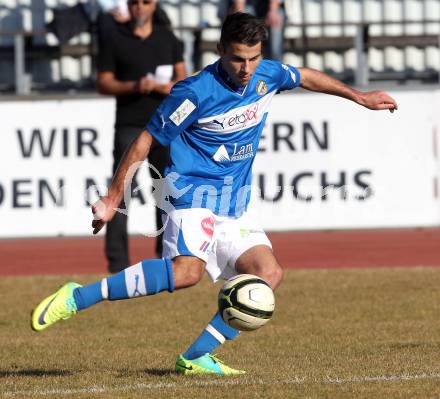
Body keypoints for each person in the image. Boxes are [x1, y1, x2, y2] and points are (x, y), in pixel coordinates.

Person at [31, 13, 397, 375]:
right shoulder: (194, 92)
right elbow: (144, 142)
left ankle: (195, 357)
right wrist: (112, 198)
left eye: (253, 58)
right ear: (221, 49)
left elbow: (305, 77)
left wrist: (359, 97)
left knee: (268, 274)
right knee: (187, 273)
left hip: (234, 205)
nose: (246, 68)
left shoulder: (266, 74)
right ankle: (77, 297)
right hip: (191, 196)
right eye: (238, 58)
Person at [96, 0, 186, 272]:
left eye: (145, 2)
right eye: (134, 3)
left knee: (166, 191)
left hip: (165, 125)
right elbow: (103, 82)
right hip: (130, 124)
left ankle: (167, 256)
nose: (139, 8)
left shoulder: (168, 39)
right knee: (120, 192)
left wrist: (164, 87)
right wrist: (134, 85)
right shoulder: (114, 38)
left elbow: (184, 82)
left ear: (153, 5)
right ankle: (117, 262)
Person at [219, 0, 286, 61]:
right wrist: (239, 10)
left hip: (266, 5)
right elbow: (239, 5)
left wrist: (273, 10)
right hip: (246, 4)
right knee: (242, 20)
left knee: (276, 20)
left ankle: (276, 67)